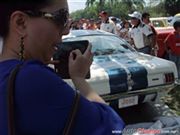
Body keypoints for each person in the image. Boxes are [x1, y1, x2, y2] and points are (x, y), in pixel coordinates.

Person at [0, 0, 124, 134]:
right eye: (61, 18)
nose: (66, 31)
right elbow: (114, 129)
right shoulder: (33, 78)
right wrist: (79, 79)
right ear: (21, 23)